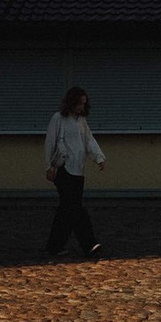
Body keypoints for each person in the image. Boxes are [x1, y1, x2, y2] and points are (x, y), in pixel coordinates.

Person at [43, 85, 108, 259]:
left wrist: (99, 157)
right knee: (75, 208)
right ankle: (89, 244)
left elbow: (89, 141)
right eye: (79, 104)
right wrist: (48, 166)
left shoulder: (81, 121)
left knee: (66, 210)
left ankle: (54, 247)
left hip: (78, 170)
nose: (81, 107)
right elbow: (50, 142)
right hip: (63, 169)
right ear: (71, 102)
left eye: (83, 104)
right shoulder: (58, 119)